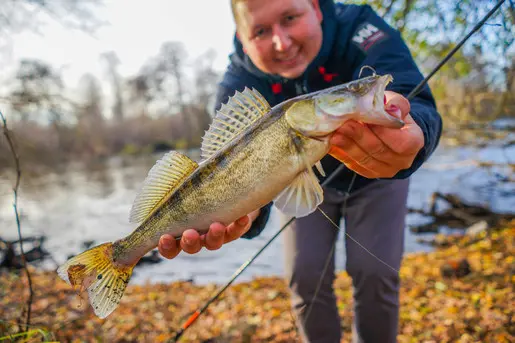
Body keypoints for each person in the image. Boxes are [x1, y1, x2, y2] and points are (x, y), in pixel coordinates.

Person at [158, 0, 442, 342]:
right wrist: (247, 215)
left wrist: (416, 133)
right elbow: (226, 173)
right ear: (242, 38)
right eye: (261, 31)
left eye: (290, 18)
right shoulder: (238, 79)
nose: (282, 42)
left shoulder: (362, 28)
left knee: (375, 273)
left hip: (380, 178)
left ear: (317, 10)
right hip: (299, 182)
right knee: (305, 277)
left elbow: (417, 100)